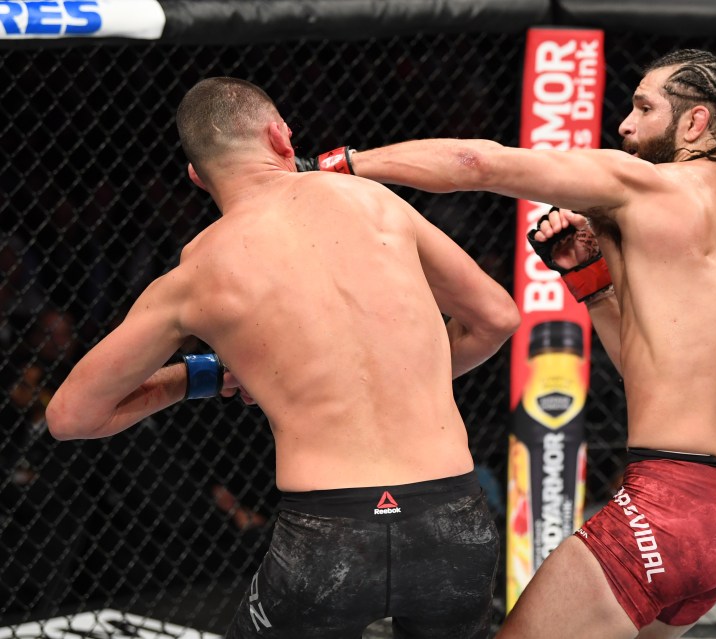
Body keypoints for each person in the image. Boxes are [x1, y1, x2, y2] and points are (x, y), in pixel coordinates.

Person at [298, 48, 716, 639]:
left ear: (695, 122)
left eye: (644, 108)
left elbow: (476, 163)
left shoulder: (645, 186)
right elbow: (652, 373)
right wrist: (590, 285)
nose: (626, 126)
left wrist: (331, 165)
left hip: (671, 506)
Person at [46, 76, 520, 638]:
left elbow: (71, 417)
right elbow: (496, 317)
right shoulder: (375, 202)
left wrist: (197, 378)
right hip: (452, 519)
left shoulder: (197, 272)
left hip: (332, 531)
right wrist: (410, 376)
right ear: (281, 136)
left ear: (197, 177)